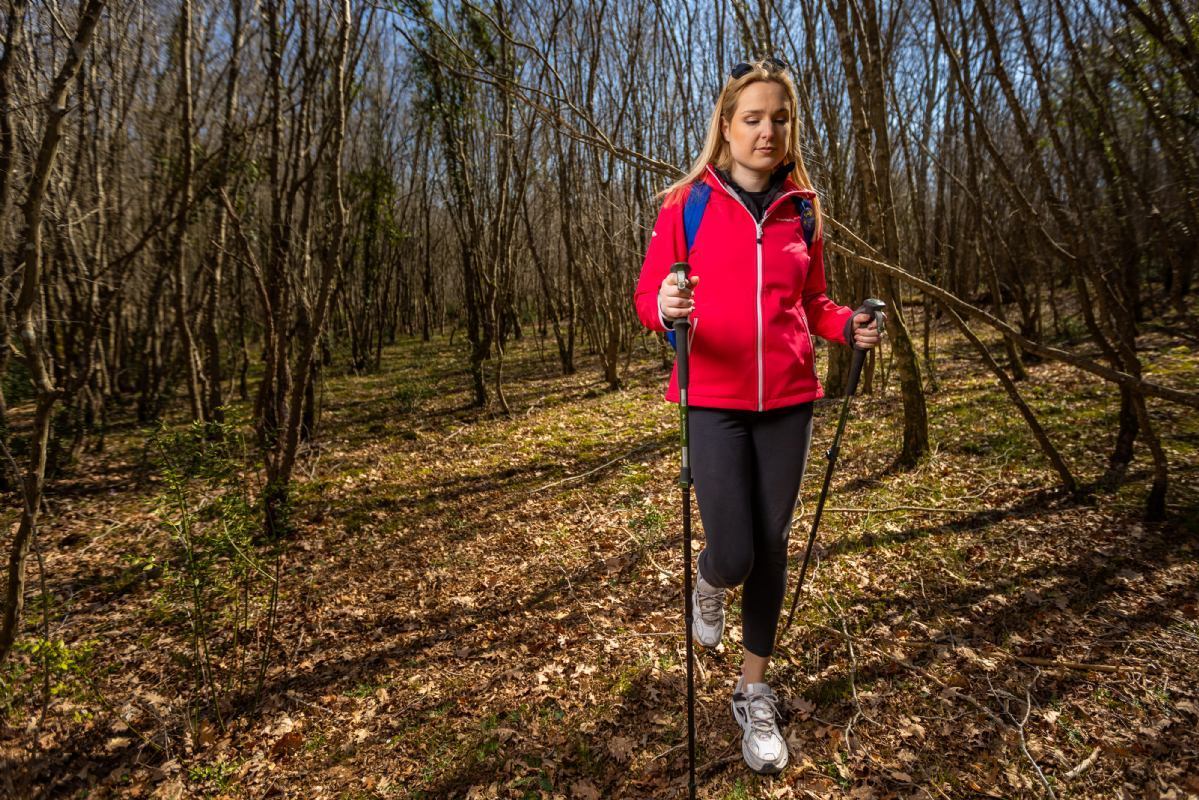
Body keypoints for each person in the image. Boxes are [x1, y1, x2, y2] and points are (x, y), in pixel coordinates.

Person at [633, 57, 882, 775]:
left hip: (789, 402)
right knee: (735, 551)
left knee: (770, 546)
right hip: (712, 400)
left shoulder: (801, 208)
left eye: (779, 118)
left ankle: (753, 692)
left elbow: (814, 304)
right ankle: (709, 578)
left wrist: (845, 328)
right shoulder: (685, 205)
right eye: (753, 118)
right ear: (726, 125)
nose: (766, 131)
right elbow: (650, 296)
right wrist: (666, 308)